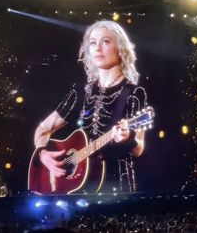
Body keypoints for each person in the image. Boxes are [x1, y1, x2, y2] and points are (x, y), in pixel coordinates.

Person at [31, 20, 149, 194]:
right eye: (93, 43)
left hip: (116, 186)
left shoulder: (133, 92)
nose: (98, 48)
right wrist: (42, 153)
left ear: (120, 48)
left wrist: (127, 138)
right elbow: (42, 130)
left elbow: (138, 148)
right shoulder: (81, 91)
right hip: (78, 187)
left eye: (106, 41)